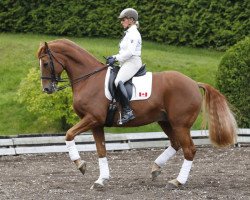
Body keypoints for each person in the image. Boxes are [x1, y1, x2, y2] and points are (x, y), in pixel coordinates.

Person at [106, 8, 142, 125]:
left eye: (123, 19)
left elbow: (130, 52)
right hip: (126, 62)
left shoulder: (134, 34)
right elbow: (124, 53)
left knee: (118, 81)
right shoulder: (129, 33)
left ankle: (128, 111)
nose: (121, 22)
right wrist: (114, 57)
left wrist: (115, 58)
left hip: (132, 62)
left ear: (131, 20)